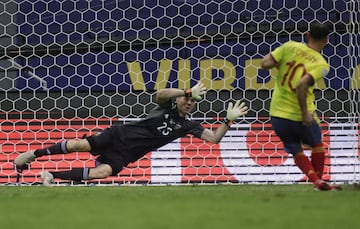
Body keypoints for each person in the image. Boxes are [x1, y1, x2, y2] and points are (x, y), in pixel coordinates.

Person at [14, 81, 248, 186]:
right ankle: (33, 155)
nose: (188, 102)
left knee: (102, 172)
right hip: (119, 135)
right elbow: (160, 94)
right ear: (178, 99)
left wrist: (228, 120)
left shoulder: (188, 125)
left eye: (191, 101)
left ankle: (52, 176)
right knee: (77, 145)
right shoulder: (165, 105)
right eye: (185, 99)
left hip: (127, 154)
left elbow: (214, 138)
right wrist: (186, 89)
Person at [261, 22, 341, 191]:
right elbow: (302, 84)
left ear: (307, 34)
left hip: (277, 114)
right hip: (300, 115)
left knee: (295, 149)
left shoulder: (289, 46)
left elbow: (265, 63)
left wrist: (281, 61)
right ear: (326, 40)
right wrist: (305, 113)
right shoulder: (322, 64)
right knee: (317, 144)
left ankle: (317, 182)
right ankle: (319, 182)